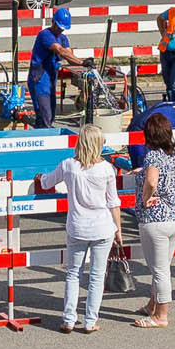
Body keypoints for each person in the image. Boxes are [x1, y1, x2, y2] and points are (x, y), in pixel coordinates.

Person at [32, 125, 120, 332]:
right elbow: (113, 202)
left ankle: (69, 319)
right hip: (102, 227)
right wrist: (118, 229)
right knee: (97, 276)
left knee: (73, 273)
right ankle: (90, 321)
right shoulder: (107, 169)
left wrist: (39, 177)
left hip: (78, 226)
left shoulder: (69, 166)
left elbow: (46, 183)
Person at [129, 110, 175, 329]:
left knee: (159, 270)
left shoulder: (152, 156)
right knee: (162, 266)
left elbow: (153, 181)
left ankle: (161, 315)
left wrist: (146, 198)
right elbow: (165, 172)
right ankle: (152, 305)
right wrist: (144, 172)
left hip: (156, 219)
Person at [27, 7, 75, 128]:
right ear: (53, 22)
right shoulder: (45, 35)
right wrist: (81, 62)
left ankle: (42, 132)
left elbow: (69, 55)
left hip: (50, 81)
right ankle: (45, 134)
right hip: (39, 79)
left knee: (51, 115)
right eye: (58, 27)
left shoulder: (63, 39)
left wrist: (83, 63)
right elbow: (60, 50)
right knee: (45, 115)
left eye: (62, 28)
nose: (60, 30)